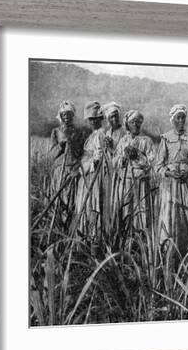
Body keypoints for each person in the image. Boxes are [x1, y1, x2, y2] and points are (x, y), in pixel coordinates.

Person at [155, 104, 188, 262]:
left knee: (185, 218)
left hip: (185, 185)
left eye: (183, 118)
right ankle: (167, 254)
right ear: (172, 120)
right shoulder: (166, 139)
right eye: (177, 118)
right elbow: (158, 165)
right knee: (169, 216)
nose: (181, 121)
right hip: (170, 186)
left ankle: (184, 255)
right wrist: (168, 172)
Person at [112, 110, 155, 235]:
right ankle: (125, 237)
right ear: (127, 124)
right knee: (126, 209)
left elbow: (152, 161)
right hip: (126, 181)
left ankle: (140, 239)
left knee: (141, 211)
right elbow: (115, 161)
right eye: (132, 122)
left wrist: (138, 156)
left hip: (141, 181)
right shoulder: (123, 141)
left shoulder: (146, 141)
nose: (136, 125)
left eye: (138, 122)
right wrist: (124, 158)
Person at [74, 101, 108, 249]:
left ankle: (94, 240)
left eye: (95, 119)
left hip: (94, 176)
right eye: (90, 120)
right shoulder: (93, 134)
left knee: (94, 205)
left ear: (101, 119)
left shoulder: (101, 134)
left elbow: (98, 157)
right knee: (85, 205)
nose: (93, 122)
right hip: (86, 175)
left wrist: (86, 166)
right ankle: (85, 239)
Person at [48, 101, 86, 224]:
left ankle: (70, 227)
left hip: (73, 171)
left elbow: (82, 154)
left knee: (72, 202)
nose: (66, 117)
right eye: (64, 114)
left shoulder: (79, 133)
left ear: (72, 115)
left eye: (69, 114)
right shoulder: (56, 132)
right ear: (60, 115)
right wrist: (61, 146)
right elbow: (51, 154)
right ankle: (58, 226)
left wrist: (77, 167)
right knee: (59, 201)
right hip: (59, 171)